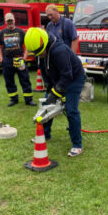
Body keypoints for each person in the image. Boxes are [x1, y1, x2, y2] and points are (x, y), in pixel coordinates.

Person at [25, 27, 85, 157]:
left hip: (75, 78)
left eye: (40, 52)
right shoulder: (39, 50)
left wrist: (57, 93)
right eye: (36, 54)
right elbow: (44, 71)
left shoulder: (59, 51)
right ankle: (45, 135)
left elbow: (67, 76)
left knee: (71, 110)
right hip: (58, 77)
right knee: (46, 105)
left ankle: (77, 145)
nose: (38, 55)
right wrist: (50, 89)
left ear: (45, 44)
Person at [0, 13, 35, 107]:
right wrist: (1, 59)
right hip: (7, 60)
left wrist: (25, 58)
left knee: (25, 79)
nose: (10, 22)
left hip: (19, 58)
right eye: (8, 21)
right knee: (9, 80)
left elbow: (27, 45)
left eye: (11, 20)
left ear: (14, 20)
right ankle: (13, 99)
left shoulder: (21, 32)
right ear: (6, 22)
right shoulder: (2, 33)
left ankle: (28, 99)